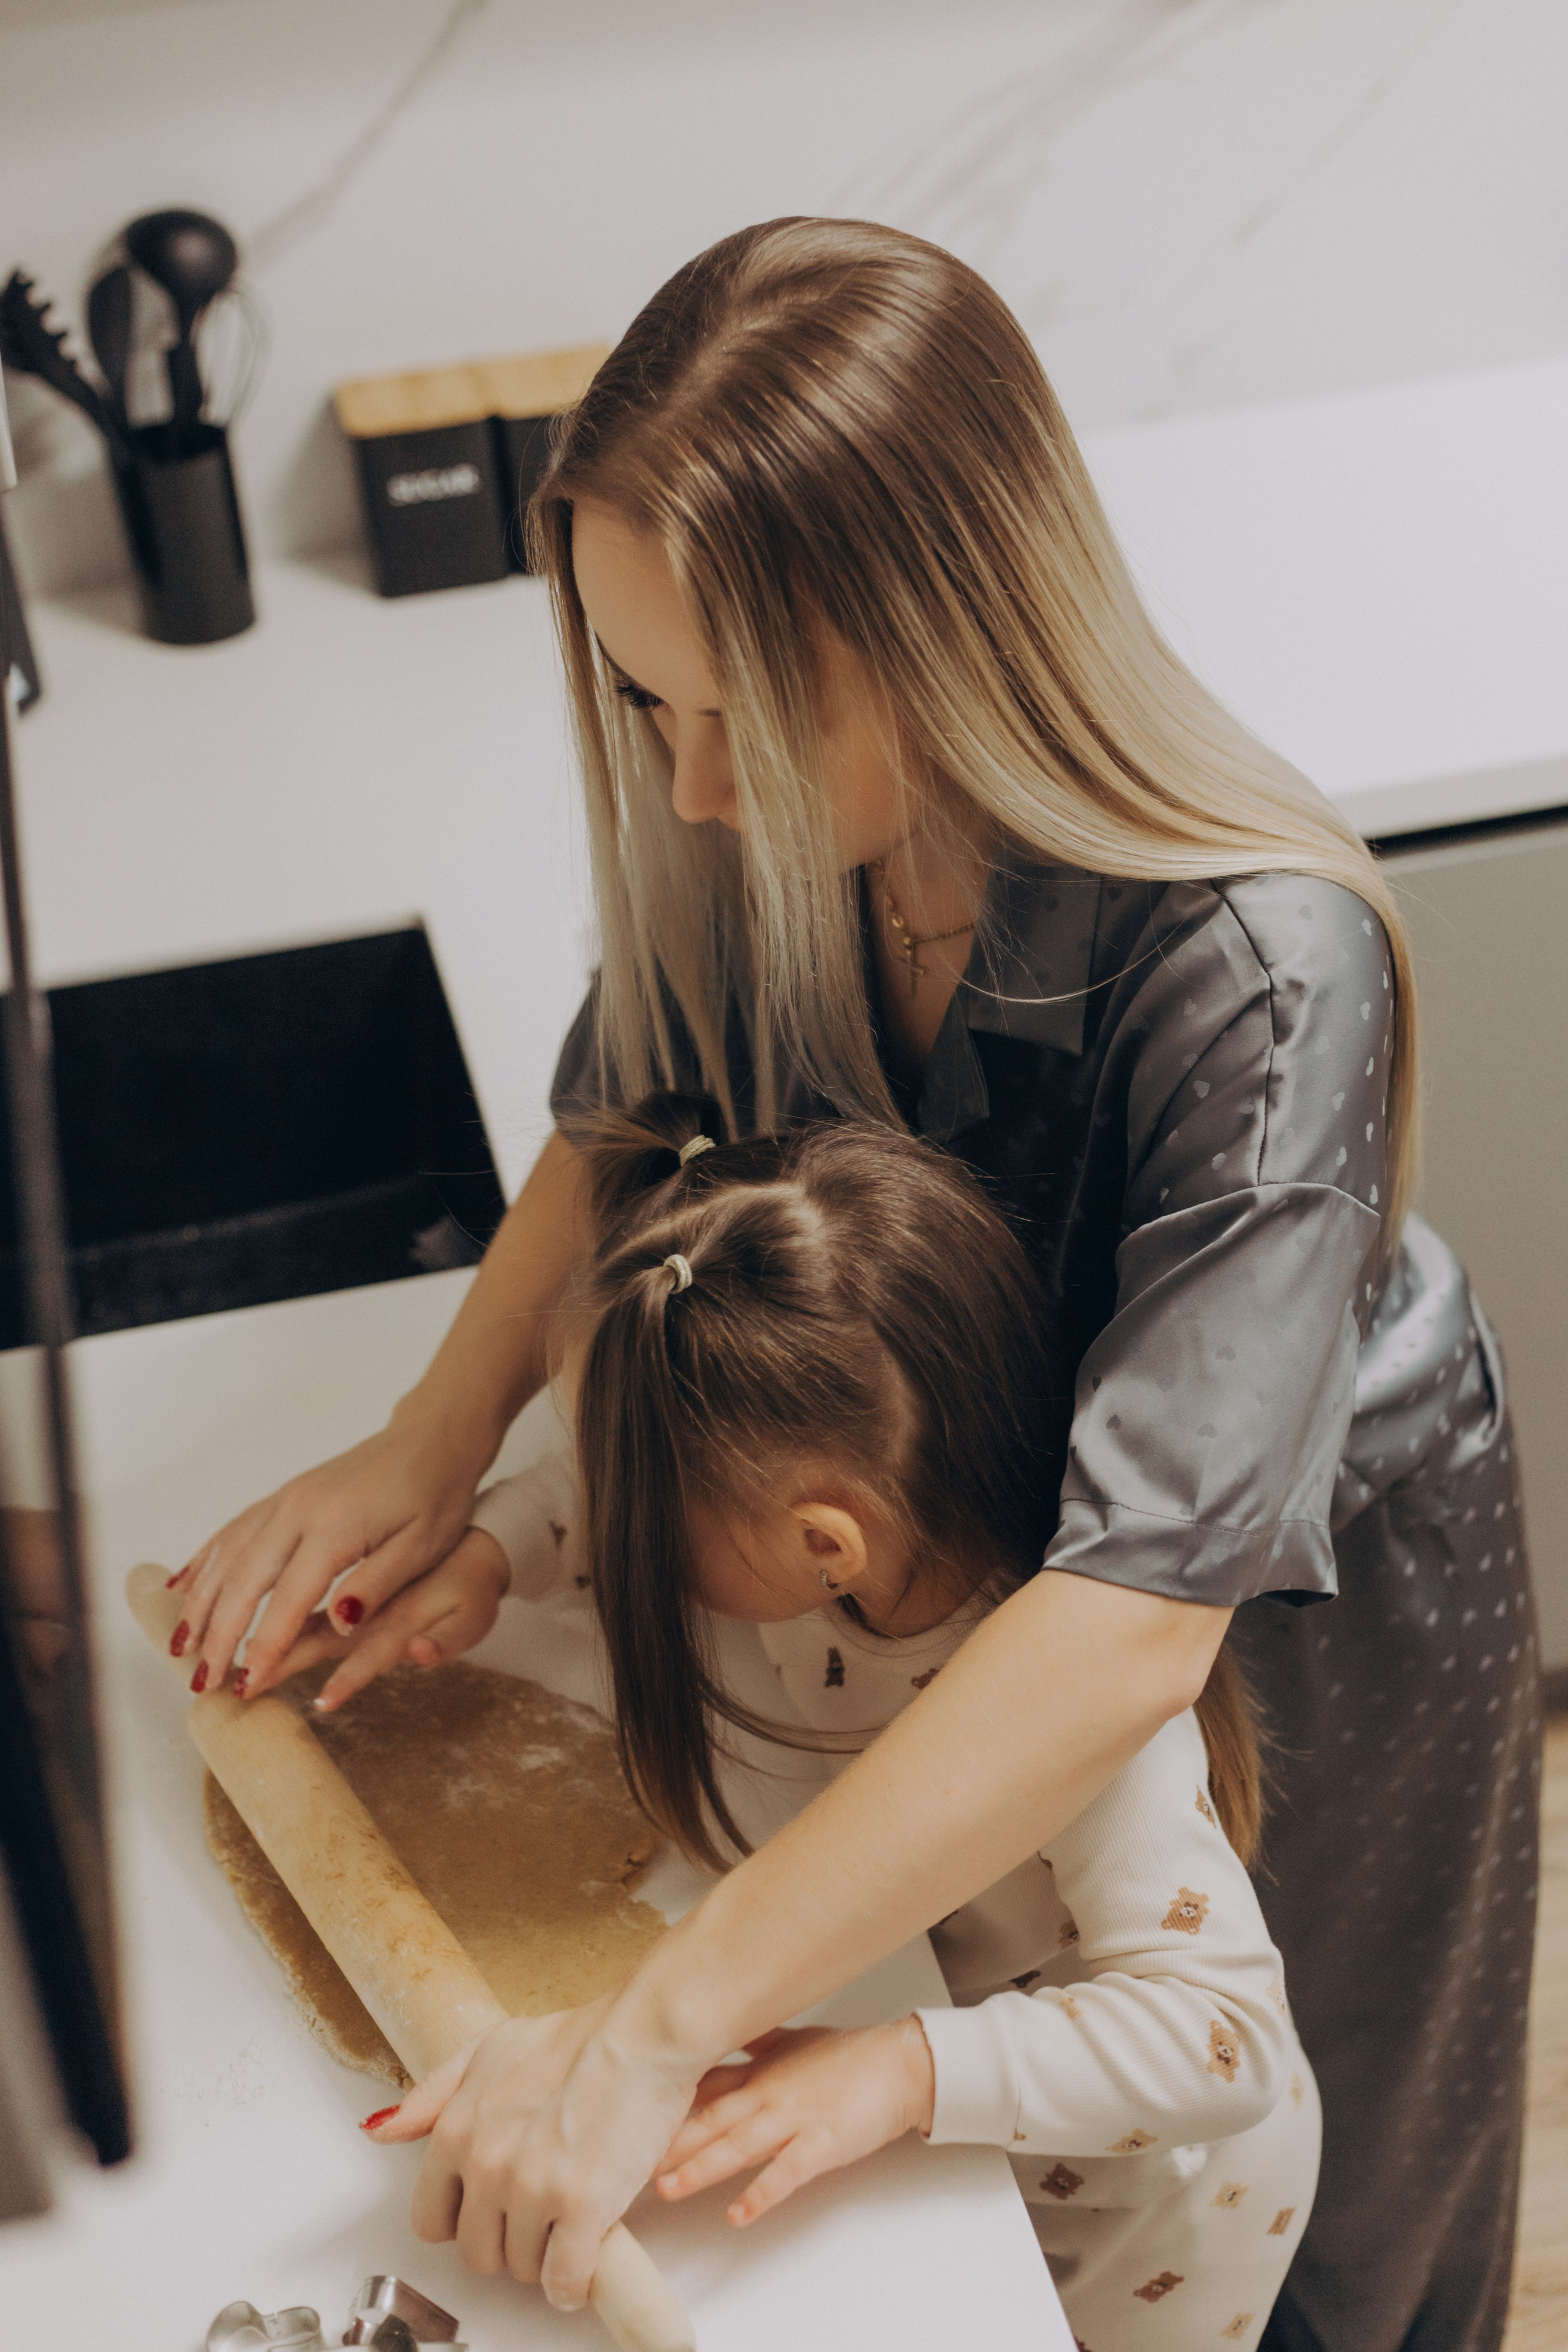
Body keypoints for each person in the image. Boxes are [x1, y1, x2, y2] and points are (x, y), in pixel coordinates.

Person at [168, 219, 1539, 2352]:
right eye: (651, 705)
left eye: (747, 715)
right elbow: (630, 1115)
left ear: (966, 626)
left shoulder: (1264, 967)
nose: (698, 791)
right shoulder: (757, 816)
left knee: (1326, 2177)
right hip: (999, 1586)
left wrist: (649, 2034)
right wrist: (435, 1447)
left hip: (1298, 1599)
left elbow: (1121, 1628)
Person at [369, 1091, 1324, 2348]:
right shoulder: (821, 1508)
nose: (616, 1521)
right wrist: (494, 1549)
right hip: (940, 2149)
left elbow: (1220, 2042)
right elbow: (612, 1480)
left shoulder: (1076, 1708)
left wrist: (901, 2072)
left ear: (822, 1545)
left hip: (1146, 2215)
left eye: (647, 1514)